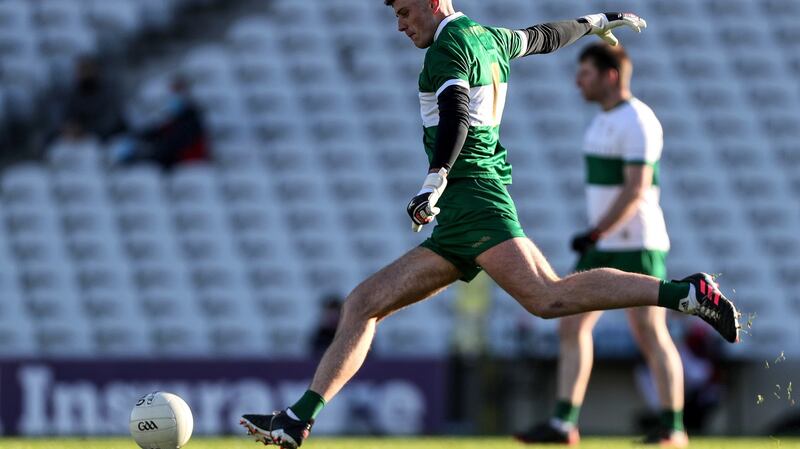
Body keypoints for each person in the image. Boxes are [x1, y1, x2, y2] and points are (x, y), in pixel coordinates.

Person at [239, 2, 740, 447]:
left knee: (548, 298)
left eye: (404, 12)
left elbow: (456, 110)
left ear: (433, 2)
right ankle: (296, 421)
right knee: (364, 303)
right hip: (464, 211)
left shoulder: (445, 50)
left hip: (473, 200)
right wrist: (595, 23)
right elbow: (544, 37)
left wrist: (433, 180)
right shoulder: (488, 37)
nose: (400, 24)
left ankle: (686, 294)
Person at [514, 43, 688, 447]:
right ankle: (563, 424)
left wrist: (596, 231)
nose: (578, 81)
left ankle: (673, 428)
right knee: (571, 324)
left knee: (649, 331)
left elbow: (636, 189)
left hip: (637, 239)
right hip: (605, 238)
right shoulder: (600, 123)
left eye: (586, 73)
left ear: (610, 75)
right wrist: (597, 233)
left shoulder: (639, 119)